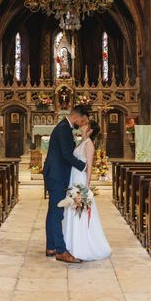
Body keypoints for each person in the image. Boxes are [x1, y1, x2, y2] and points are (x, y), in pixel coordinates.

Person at [43, 105, 89, 263]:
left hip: (54, 173)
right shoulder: (63, 129)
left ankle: (51, 246)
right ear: (76, 117)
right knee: (57, 212)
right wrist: (84, 167)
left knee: (53, 210)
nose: (81, 123)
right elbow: (66, 155)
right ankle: (61, 251)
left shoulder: (64, 127)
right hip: (57, 175)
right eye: (82, 120)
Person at [63, 120, 112, 261]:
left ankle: (81, 245)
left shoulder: (89, 144)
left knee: (80, 212)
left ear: (90, 130)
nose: (82, 125)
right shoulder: (81, 141)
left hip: (80, 180)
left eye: (85, 125)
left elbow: (89, 166)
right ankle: (71, 242)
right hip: (74, 177)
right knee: (73, 210)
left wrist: (86, 187)